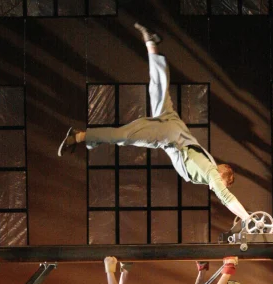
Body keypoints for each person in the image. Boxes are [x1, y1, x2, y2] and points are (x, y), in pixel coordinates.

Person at [58, 23, 249, 222]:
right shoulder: (212, 172)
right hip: (168, 135)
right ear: (222, 175)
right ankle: (79, 136)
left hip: (173, 123)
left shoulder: (207, 163)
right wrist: (247, 218)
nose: (217, 185)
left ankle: (151, 43)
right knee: (123, 136)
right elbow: (226, 197)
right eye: (222, 182)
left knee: (158, 86)